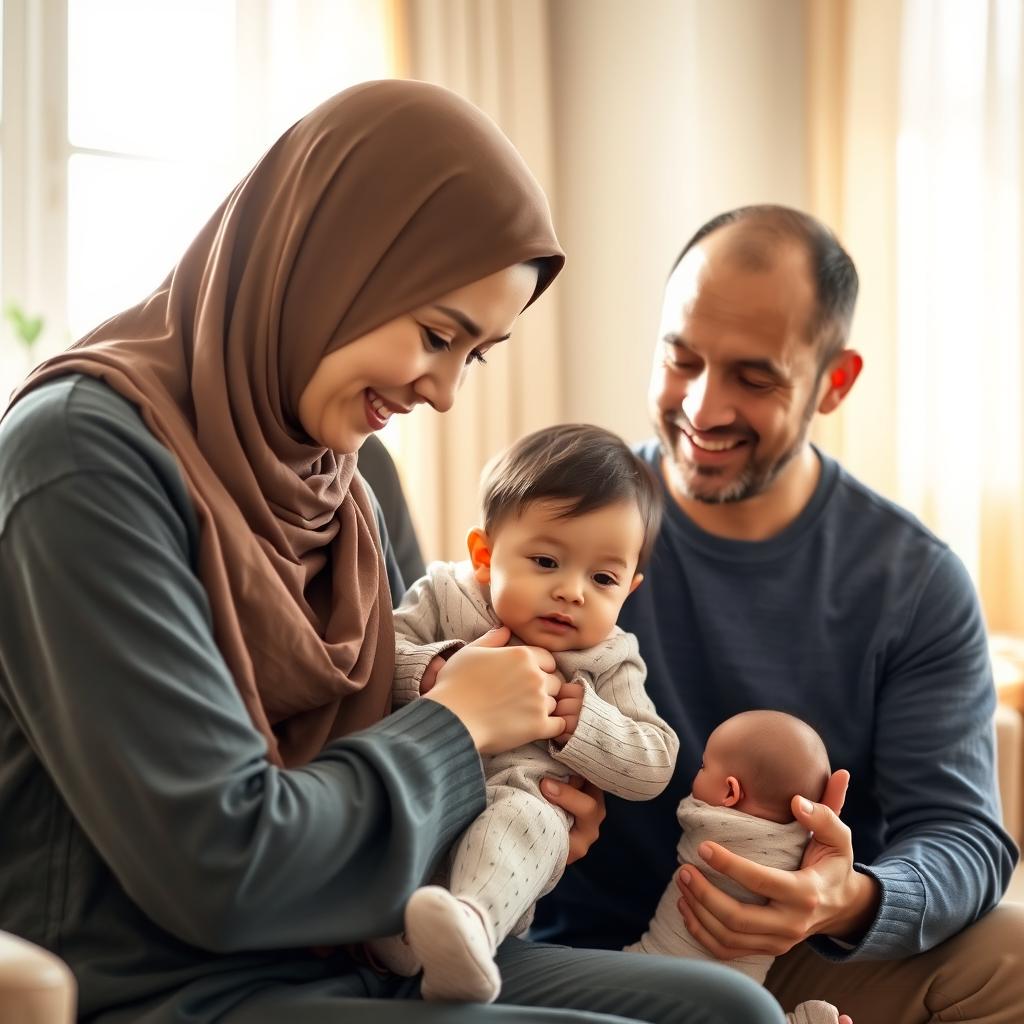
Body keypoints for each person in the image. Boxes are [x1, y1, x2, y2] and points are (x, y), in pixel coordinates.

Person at [0, 82, 787, 1024]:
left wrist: (519, 828)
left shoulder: (345, 483)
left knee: (730, 1013)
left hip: (352, 947)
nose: (447, 391)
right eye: (436, 334)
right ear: (331, 266)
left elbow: (395, 755)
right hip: (166, 981)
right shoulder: (83, 458)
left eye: (478, 354)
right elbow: (221, 867)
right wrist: (461, 726)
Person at [531, 204, 1024, 1022]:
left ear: (835, 381)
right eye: (681, 360)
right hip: (575, 956)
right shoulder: (568, 518)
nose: (703, 406)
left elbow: (964, 837)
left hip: (782, 958)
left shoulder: (915, 581)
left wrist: (850, 899)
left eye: (753, 378)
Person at [373, 423, 678, 1003]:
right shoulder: (443, 598)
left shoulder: (610, 659)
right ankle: (398, 930)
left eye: (603, 578)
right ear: (485, 556)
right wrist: (438, 673)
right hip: (423, 792)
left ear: (629, 589)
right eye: (545, 560)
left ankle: (469, 931)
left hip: (519, 819)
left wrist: (584, 723)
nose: (572, 591)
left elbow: (657, 762)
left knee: (534, 819)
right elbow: (373, 661)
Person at [629, 711, 846, 1024]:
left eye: (704, 766)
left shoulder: (707, 828)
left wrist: (856, 902)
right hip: (739, 994)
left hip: (653, 966)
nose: (696, 774)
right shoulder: (803, 847)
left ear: (730, 793)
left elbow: (687, 812)